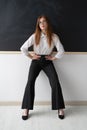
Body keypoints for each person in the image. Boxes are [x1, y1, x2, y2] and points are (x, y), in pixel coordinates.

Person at [20, 15, 65, 120]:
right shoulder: (35, 36)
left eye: (44, 21)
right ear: (38, 25)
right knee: (30, 81)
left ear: (47, 23)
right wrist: (31, 56)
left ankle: (60, 108)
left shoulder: (54, 36)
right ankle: (26, 108)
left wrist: (53, 58)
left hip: (47, 61)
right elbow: (23, 48)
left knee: (55, 82)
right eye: (40, 22)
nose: (42, 24)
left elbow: (61, 51)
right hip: (36, 61)